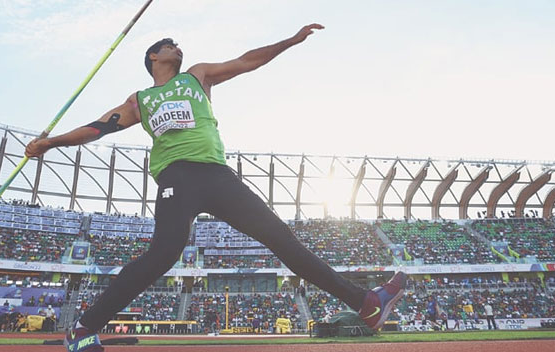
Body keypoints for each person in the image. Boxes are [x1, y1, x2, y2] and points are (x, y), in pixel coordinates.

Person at [25, 24, 407, 352]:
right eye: (168, 43)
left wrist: (289, 42)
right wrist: (50, 142)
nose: (177, 46)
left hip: (217, 175)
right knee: (163, 254)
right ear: (154, 57)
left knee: (280, 236)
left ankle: (367, 304)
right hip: (177, 177)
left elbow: (246, 61)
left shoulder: (197, 76)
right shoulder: (140, 100)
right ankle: (83, 330)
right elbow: (98, 127)